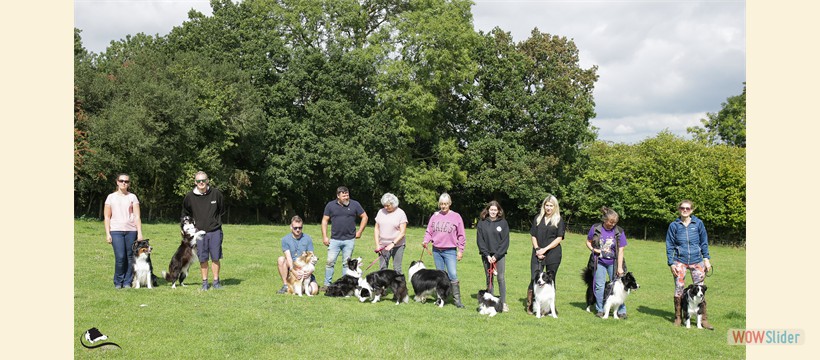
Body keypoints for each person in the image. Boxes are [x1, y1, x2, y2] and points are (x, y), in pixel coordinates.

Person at [667, 199, 714, 329]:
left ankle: (703, 319)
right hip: (679, 261)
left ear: (692, 210)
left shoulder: (698, 224)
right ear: (679, 209)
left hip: (697, 260)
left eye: (688, 208)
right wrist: (671, 263)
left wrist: (706, 259)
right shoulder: (674, 225)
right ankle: (678, 317)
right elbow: (669, 245)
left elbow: (704, 242)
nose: (685, 210)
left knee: (700, 290)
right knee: (679, 288)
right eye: (682, 208)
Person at [182, 171, 225, 290]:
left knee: (216, 257)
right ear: (195, 182)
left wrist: (215, 222)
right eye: (199, 181)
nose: (201, 183)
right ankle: (205, 283)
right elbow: (185, 214)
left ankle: (216, 282)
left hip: (215, 230)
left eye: (204, 180)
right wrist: (186, 229)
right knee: (203, 258)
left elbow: (221, 210)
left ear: (207, 181)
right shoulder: (189, 197)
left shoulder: (216, 194)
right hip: (198, 233)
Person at [422, 193, 467, 308]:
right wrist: (426, 241)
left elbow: (461, 235)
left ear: (450, 204)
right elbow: (429, 231)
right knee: (439, 276)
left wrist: (460, 250)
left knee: (452, 274)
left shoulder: (456, 216)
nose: (443, 206)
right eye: (441, 204)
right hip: (437, 250)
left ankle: (457, 300)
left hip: (450, 251)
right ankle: (440, 299)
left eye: (446, 204)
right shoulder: (435, 216)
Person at [321, 186, 368, 288]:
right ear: (338, 196)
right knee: (330, 262)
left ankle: (344, 285)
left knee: (346, 264)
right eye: (344, 196)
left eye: (347, 195)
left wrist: (360, 231)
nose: (346, 197)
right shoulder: (330, 205)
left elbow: (365, 216)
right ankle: (326, 284)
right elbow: (324, 220)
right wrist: (325, 236)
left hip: (349, 240)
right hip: (334, 240)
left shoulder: (355, 204)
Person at [526, 194, 566, 314]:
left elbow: (559, 238)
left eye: (551, 205)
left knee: (550, 280)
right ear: (544, 206)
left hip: (553, 254)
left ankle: (549, 307)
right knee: (535, 277)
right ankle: (531, 305)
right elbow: (533, 235)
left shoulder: (559, 220)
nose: (548, 208)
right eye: (547, 205)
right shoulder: (538, 218)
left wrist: (545, 249)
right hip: (537, 253)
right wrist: (538, 249)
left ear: (555, 207)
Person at [586, 207, 628, 318]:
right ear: (604, 219)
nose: (612, 224)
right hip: (599, 262)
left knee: (618, 287)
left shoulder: (619, 231)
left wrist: (620, 267)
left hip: (614, 262)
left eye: (614, 223)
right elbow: (588, 242)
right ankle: (600, 309)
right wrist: (594, 250)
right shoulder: (596, 228)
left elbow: (621, 251)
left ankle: (621, 310)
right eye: (610, 222)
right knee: (600, 286)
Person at [104, 173, 144, 289]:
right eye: (121, 181)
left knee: (130, 256)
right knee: (120, 257)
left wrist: (139, 232)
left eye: (126, 181)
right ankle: (118, 281)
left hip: (131, 231)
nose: (123, 183)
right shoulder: (110, 197)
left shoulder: (133, 197)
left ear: (129, 184)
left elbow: (137, 216)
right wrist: (108, 233)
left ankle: (127, 282)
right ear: (117, 182)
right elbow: (107, 217)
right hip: (116, 231)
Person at [475, 200, 510, 312]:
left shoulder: (503, 223)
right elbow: (480, 241)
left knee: (500, 278)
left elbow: (505, 241)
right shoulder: (482, 223)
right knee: (489, 279)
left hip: (499, 256)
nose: (493, 212)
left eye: (495, 210)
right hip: (486, 256)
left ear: (499, 211)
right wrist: (486, 254)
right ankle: (490, 302)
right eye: (491, 210)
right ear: (488, 210)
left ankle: (503, 303)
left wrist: (496, 255)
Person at [276, 216, 319, 295]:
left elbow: (311, 258)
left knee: (314, 291)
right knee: (281, 259)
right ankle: (286, 285)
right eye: (295, 228)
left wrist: (310, 271)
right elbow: (288, 258)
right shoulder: (285, 239)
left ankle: (299, 287)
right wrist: (293, 271)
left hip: (305, 268)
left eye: (300, 228)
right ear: (291, 227)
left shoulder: (307, 238)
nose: (298, 230)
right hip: (292, 268)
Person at [374, 193, 408, 274]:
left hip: (398, 245)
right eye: (384, 205)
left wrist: (392, 244)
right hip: (383, 246)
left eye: (388, 205)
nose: (385, 207)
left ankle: (399, 286)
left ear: (394, 204)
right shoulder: (380, 212)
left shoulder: (401, 213)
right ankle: (384, 286)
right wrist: (377, 245)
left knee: (397, 268)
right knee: (383, 269)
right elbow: (376, 229)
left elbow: (402, 232)